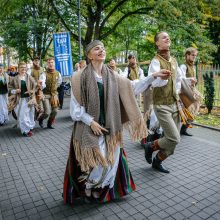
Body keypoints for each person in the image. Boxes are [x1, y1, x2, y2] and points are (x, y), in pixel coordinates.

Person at [63, 40, 171, 204]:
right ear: (89, 55)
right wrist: (91, 122)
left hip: (111, 127)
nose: (101, 50)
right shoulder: (79, 77)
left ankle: (100, 188)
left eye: (103, 48)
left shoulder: (113, 76)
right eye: (96, 48)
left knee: (111, 161)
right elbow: (75, 108)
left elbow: (132, 86)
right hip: (89, 127)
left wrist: (152, 76)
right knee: (96, 163)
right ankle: (89, 187)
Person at [143, 31, 182, 173]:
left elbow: (178, 80)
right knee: (174, 138)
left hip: (175, 104)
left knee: (172, 145)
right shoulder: (155, 61)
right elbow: (154, 83)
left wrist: (177, 92)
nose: (167, 38)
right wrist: (162, 78)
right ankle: (150, 146)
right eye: (163, 37)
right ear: (157, 43)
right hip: (162, 105)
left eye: (168, 36)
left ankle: (157, 161)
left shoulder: (174, 61)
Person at [8, 62, 36, 136]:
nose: (23, 69)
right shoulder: (15, 79)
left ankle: (28, 127)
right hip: (19, 100)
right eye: (21, 67)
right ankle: (25, 131)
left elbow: (35, 86)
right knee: (22, 116)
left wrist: (31, 91)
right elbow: (9, 89)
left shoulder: (29, 77)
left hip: (29, 100)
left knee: (30, 115)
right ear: (18, 69)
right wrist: (15, 91)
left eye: (24, 67)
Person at [179, 47, 198, 136]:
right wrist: (191, 79)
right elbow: (181, 79)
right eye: (193, 55)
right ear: (187, 55)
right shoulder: (183, 66)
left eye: (195, 55)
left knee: (194, 109)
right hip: (184, 92)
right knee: (188, 110)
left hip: (191, 90)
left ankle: (184, 128)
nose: (194, 57)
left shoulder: (193, 67)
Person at [39, 58, 62, 129]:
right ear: (47, 64)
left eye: (52, 62)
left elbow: (59, 82)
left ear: (54, 63)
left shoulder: (58, 73)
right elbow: (42, 84)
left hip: (54, 94)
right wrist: (41, 90)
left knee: (55, 111)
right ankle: (41, 119)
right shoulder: (44, 74)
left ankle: (49, 124)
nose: (50, 64)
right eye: (49, 63)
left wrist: (54, 89)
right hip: (45, 94)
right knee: (47, 112)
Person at [31, 56, 45, 127]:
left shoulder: (42, 69)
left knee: (41, 107)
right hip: (33, 91)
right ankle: (32, 122)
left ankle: (41, 121)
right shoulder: (30, 70)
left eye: (38, 60)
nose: (36, 61)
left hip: (40, 90)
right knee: (33, 107)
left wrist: (42, 85)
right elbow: (29, 80)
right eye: (35, 60)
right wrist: (35, 84)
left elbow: (44, 79)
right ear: (33, 61)